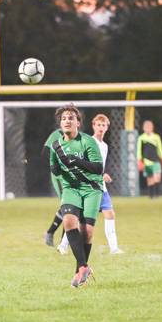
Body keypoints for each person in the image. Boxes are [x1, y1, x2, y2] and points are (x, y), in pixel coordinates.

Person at [48, 103, 104, 288]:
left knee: (87, 232)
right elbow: (54, 168)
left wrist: (78, 161)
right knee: (69, 222)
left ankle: (80, 270)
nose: (67, 121)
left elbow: (98, 168)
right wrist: (55, 168)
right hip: (71, 189)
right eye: (64, 118)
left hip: (91, 188)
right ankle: (83, 267)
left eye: (71, 118)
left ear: (78, 123)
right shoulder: (56, 145)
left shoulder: (87, 141)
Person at [57, 114, 123, 255]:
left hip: (99, 186)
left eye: (103, 125)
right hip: (87, 187)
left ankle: (114, 248)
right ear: (93, 126)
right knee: (77, 218)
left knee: (110, 214)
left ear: (107, 127)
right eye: (98, 125)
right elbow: (84, 165)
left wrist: (103, 174)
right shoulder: (88, 142)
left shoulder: (104, 146)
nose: (101, 128)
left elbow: (98, 166)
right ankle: (63, 244)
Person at [137, 120, 162, 198]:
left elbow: (160, 149)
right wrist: (139, 161)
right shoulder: (141, 138)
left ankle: (157, 195)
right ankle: (151, 196)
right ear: (143, 128)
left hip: (156, 160)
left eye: (149, 127)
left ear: (152, 128)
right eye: (146, 127)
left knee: (157, 177)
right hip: (146, 161)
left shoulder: (156, 137)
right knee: (150, 178)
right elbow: (139, 150)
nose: (148, 129)